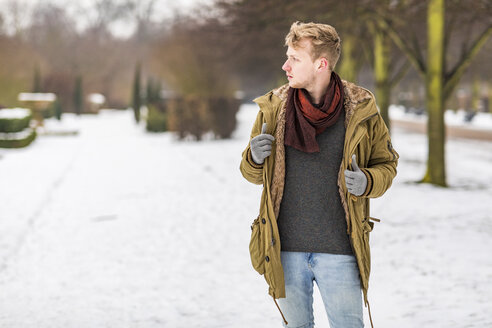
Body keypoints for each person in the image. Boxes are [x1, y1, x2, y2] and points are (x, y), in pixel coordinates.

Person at [240, 21, 399, 328]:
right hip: (284, 251)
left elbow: (386, 165)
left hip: (341, 252)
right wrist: (254, 157)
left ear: (321, 63)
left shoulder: (362, 109)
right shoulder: (272, 109)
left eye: (295, 59)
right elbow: (251, 173)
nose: (286, 65)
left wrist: (368, 181)